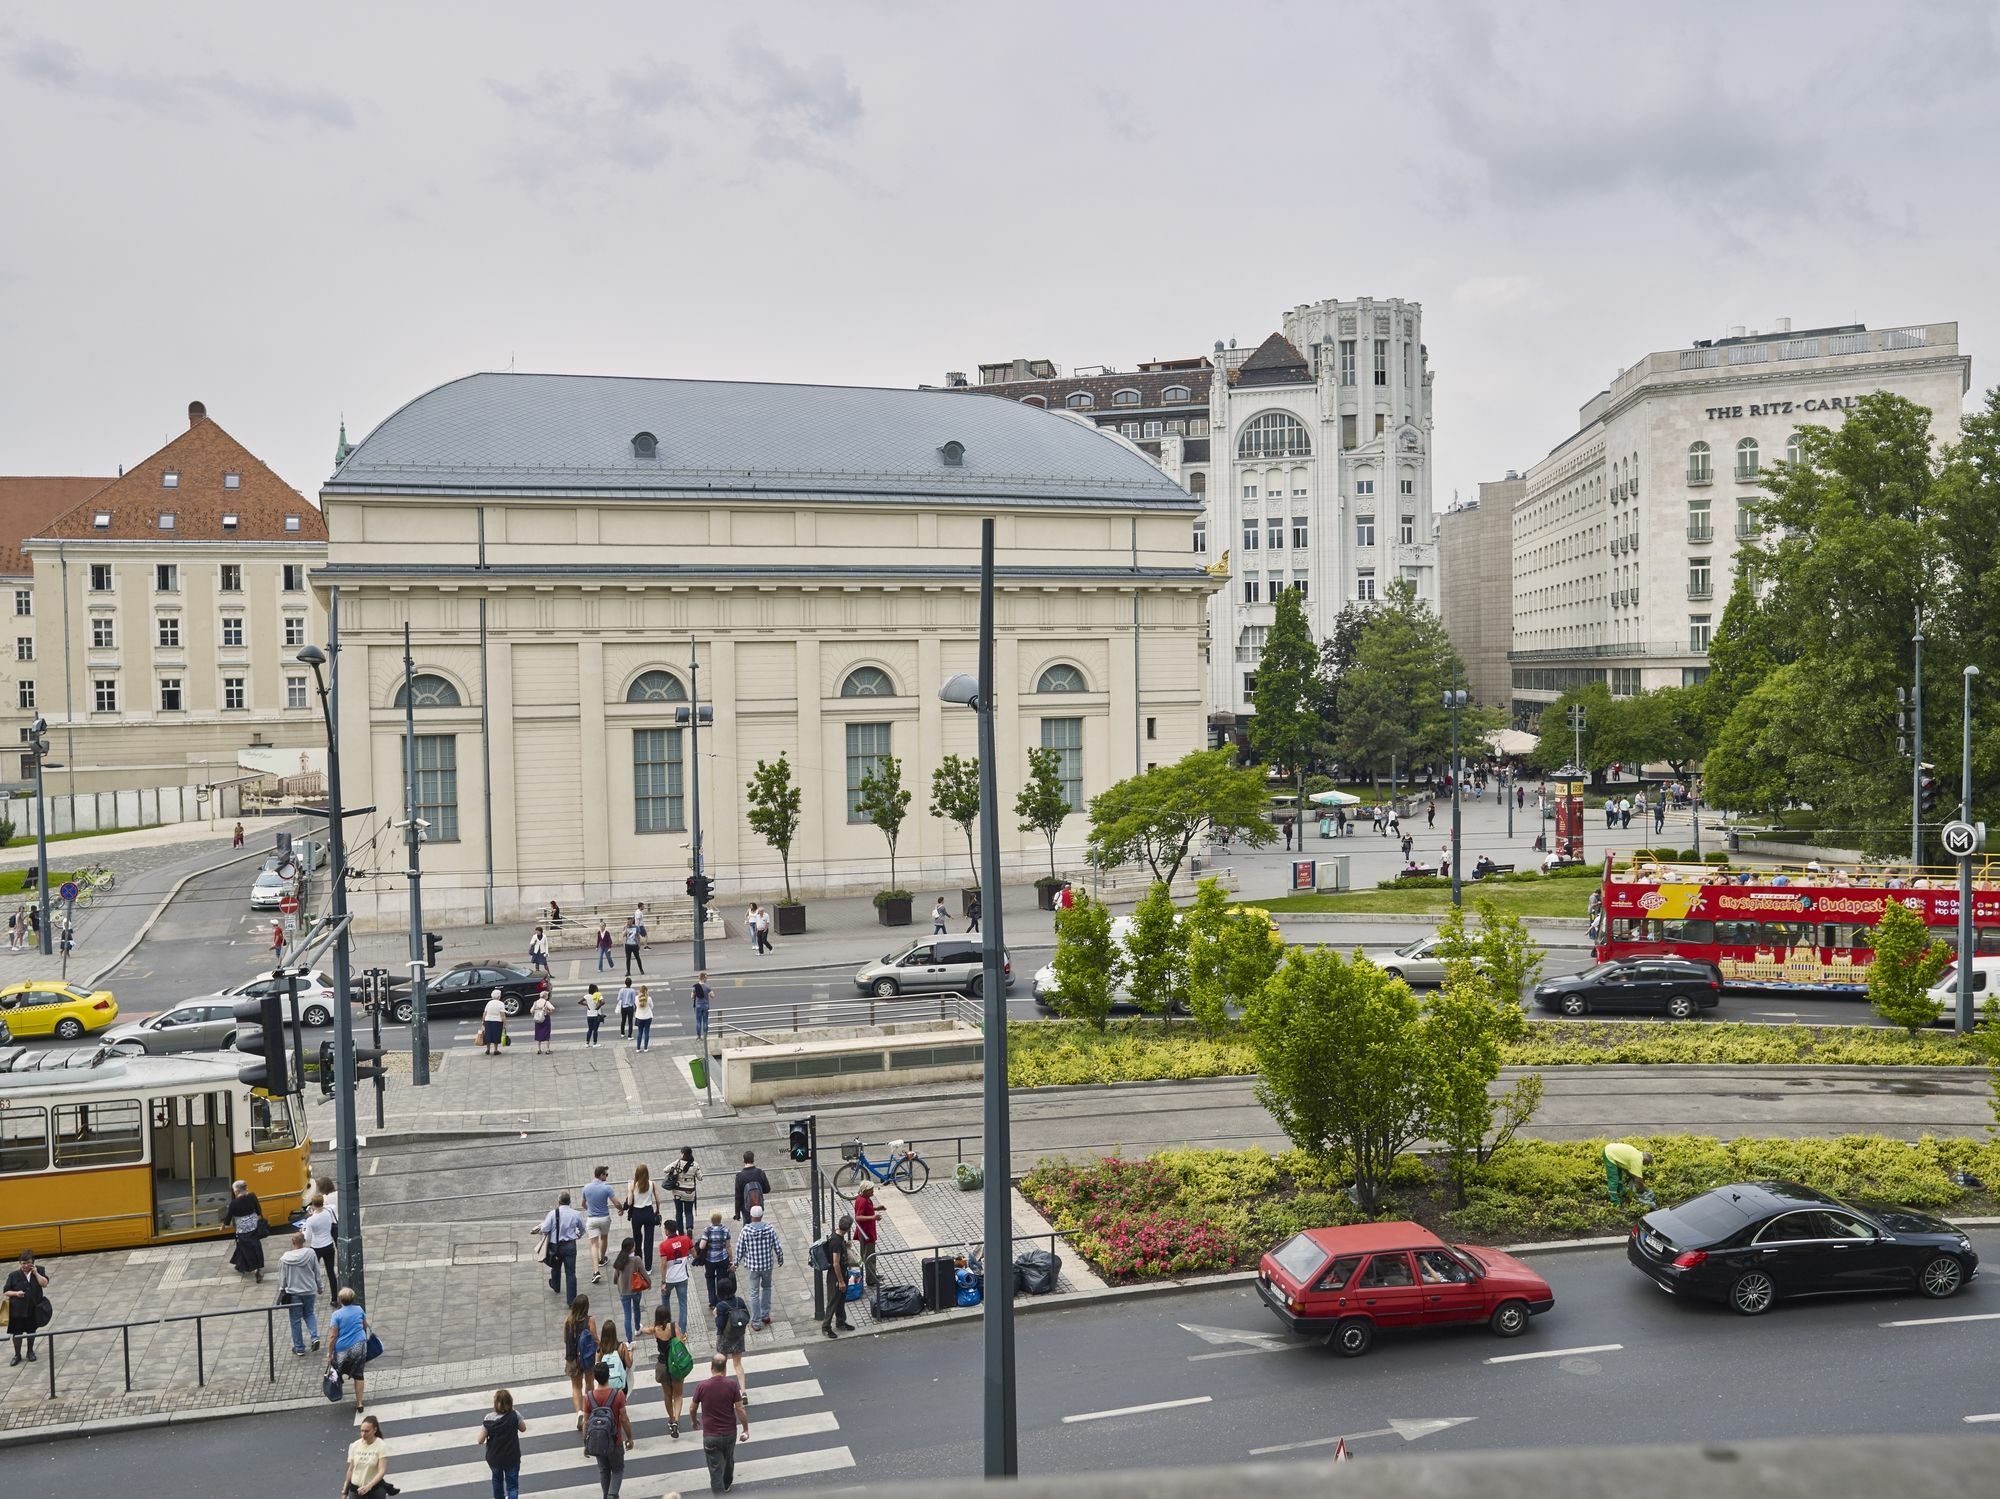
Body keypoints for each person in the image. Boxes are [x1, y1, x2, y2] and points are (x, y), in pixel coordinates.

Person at [690, 1352, 750, 1495]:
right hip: (729, 1433)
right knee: (728, 1459)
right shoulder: (732, 1385)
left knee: (715, 1469)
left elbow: (692, 1407)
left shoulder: (702, 1386)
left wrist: (694, 1421)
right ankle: (727, 1484)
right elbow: (740, 1409)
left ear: (711, 1367)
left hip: (711, 1435)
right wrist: (745, 1429)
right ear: (725, 1369)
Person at [635, 1302, 689, 1439]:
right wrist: (683, 1338)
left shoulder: (656, 1329)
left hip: (663, 1365)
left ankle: (671, 1419)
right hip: (675, 1366)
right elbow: (680, 1343)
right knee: (678, 1395)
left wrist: (641, 1328)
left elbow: (646, 1330)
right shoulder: (673, 1327)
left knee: (667, 1395)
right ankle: (676, 1420)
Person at [581, 1361, 634, 1499]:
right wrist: (629, 1437)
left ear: (595, 1377)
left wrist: (586, 1443)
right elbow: (624, 1418)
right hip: (615, 1441)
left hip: (598, 1441)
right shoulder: (618, 1395)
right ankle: (612, 1495)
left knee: (604, 1471)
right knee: (617, 1469)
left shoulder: (588, 1397)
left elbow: (585, 1422)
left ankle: (607, 1496)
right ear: (608, 1375)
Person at [734, 1203, 783, 1330]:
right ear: (762, 1215)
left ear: (751, 1216)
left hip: (752, 1267)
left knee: (753, 1293)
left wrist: (736, 1263)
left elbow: (740, 1248)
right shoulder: (769, 1229)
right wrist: (780, 1258)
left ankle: (756, 1322)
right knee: (767, 1288)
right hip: (767, 1265)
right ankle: (765, 1315)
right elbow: (777, 1245)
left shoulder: (746, 1230)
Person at [277, 1230, 322, 1355]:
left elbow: (283, 1279)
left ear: (292, 1242)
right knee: (309, 1314)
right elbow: (317, 1272)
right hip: (309, 1291)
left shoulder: (285, 1258)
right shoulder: (311, 1253)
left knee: (295, 1319)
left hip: (294, 1293)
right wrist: (320, 1287)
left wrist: (282, 1289)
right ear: (304, 1241)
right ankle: (314, 1337)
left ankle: (299, 1348)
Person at [477, 1388, 527, 1499]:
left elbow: (480, 1440)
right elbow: (523, 1428)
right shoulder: (514, 1415)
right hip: (512, 1457)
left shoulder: (488, 1418)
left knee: (497, 1481)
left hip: (495, 1458)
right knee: (512, 1487)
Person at [536, 1192, 586, 1303]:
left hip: (556, 1246)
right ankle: (571, 1301)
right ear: (570, 1202)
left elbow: (544, 1229)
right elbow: (582, 1229)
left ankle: (556, 1285)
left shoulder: (553, 1214)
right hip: (570, 1246)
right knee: (571, 1273)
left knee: (555, 1265)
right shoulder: (576, 1214)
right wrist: (578, 1235)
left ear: (559, 1202)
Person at [327, 1286, 370, 1413]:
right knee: (359, 1374)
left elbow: (333, 1335)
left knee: (336, 1370)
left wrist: (329, 1352)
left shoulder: (336, 1315)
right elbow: (365, 1325)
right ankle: (359, 1403)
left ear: (340, 1300)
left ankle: (336, 1392)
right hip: (359, 1346)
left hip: (342, 1349)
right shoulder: (359, 1309)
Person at [4, 1250, 49, 1365]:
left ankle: (30, 1351)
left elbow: (44, 1283)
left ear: (33, 1263)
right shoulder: (13, 1275)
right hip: (17, 1310)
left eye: (28, 1263)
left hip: (32, 1308)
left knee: (31, 1331)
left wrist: (36, 1273)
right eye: (23, 1263)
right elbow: (6, 1291)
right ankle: (17, 1354)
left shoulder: (39, 1270)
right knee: (17, 1333)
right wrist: (16, 1293)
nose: (25, 1266)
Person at [817, 1214, 854, 1339]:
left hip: (841, 1273)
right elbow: (836, 1263)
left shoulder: (836, 1235)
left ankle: (841, 1321)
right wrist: (841, 1281)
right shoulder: (836, 1241)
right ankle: (826, 1327)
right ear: (848, 1228)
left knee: (841, 1299)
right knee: (833, 1301)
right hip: (836, 1275)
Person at [224, 1178, 265, 1282]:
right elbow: (258, 1209)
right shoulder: (252, 1196)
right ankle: (241, 1265)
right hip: (253, 1226)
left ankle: (255, 1269)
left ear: (237, 1191)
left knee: (246, 1249)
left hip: (242, 1230)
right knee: (255, 1245)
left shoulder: (234, 1203)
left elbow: (228, 1217)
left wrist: (223, 1225)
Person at [582, 1165, 618, 1283]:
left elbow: (583, 1204)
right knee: (604, 1237)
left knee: (593, 1244)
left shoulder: (586, 1187)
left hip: (592, 1219)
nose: (607, 1176)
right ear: (601, 1175)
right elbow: (616, 1202)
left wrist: (589, 1209)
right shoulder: (607, 1188)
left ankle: (596, 1271)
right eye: (606, 1174)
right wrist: (621, 1209)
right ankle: (602, 1259)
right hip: (604, 1218)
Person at [343, 1414, 391, 1498]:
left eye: (366, 1431)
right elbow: (351, 1469)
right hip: (356, 1490)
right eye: (362, 1430)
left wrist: (369, 1486)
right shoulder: (355, 1445)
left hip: (374, 1490)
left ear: (374, 1430)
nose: (363, 1434)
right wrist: (345, 1491)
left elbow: (382, 1471)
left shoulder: (381, 1446)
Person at [302, 1191, 337, 1294]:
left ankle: (318, 1288)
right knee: (331, 1272)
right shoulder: (328, 1212)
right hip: (329, 1245)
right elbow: (328, 1207)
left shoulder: (310, 1220)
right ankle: (334, 1297)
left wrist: (303, 1232)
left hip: (316, 1247)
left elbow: (307, 1238)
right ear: (323, 1203)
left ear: (312, 1204)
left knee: (313, 1271)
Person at [624, 1164, 659, 1267]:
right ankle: (648, 1267)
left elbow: (629, 1202)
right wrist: (657, 1210)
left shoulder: (633, 1185)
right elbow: (658, 1199)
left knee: (637, 1239)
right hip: (648, 1212)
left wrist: (629, 1190)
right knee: (649, 1240)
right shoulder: (652, 1184)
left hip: (637, 1214)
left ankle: (639, 1264)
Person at [660, 1225, 693, 1332]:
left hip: (669, 1279)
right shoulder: (686, 1239)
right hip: (682, 1278)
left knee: (665, 1302)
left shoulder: (663, 1245)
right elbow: (694, 1254)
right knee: (683, 1304)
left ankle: (667, 1327)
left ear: (667, 1231)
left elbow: (664, 1264)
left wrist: (663, 1281)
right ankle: (682, 1331)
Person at [1603, 1141, 1655, 1208]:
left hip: (1612, 1150)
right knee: (1613, 1179)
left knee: (1619, 1176)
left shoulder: (1637, 1154)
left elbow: (1628, 1170)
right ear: (1645, 1160)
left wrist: (1633, 1178)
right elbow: (1638, 1179)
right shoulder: (1638, 1160)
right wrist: (1641, 1192)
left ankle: (1620, 1190)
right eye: (1646, 1164)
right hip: (1609, 1154)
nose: (1645, 1165)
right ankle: (1614, 1201)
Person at [613, 1238, 646, 1342]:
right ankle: (637, 1328)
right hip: (635, 1290)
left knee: (627, 1315)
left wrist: (616, 1283)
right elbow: (643, 1273)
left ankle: (629, 1340)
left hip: (624, 1291)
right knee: (636, 1308)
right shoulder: (636, 1260)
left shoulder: (619, 1260)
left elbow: (615, 1276)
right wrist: (648, 1283)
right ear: (632, 1248)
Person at [699, 1211, 732, 1310]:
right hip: (722, 1258)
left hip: (710, 1260)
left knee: (710, 1279)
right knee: (721, 1280)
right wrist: (731, 1258)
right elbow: (728, 1246)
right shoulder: (725, 1230)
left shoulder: (707, 1230)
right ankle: (720, 1300)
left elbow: (702, 1246)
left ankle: (712, 1301)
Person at [667, 1146, 701, 1236]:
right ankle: (689, 1227)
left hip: (677, 1192)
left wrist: (673, 1171)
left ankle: (680, 1231)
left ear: (683, 1154)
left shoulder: (677, 1163)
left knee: (679, 1212)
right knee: (688, 1211)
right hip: (689, 1192)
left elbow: (665, 1170)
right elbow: (700, 1177)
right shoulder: (695, 1164)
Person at [851, 1184, 879, 1289]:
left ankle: (872, 1275)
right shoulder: (862, 1200)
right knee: (869, 1256)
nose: (873, 1192)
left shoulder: (863, 1198)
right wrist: (873, 1217)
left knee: (871, 1255)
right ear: (865, 1191)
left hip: (868, 1231)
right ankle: (871, 1279)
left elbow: (867, 1209)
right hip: (866, 1233)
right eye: (871, 1190)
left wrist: (876, 1208)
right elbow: (858, 1217)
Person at [732, 1150, 770, 1222]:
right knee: (758, 1224)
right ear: (753, 1159)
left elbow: (738, 1197)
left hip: (746, 1207)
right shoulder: (760, 1172)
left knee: (747, 1227)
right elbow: (767, 1189)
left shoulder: (740, 1176)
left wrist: (737, 1214)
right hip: (758, 1204)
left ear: (743, 1160)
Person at [481, 989, 508, 1057]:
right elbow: (502, 1014)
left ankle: (488, 1049)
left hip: (488, 1020)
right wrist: (504, 1023)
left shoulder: (489, 1003)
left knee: (488, 1035)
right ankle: (495, 1050)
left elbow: (485, 1012)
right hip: (497, 1021)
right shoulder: (501, 1004)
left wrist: (483, 1021)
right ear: (499, 996)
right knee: (496, 1035)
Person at [530, 987, 556, 1055]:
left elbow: (531, 1010)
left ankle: (539, 1049)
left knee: (538, 1034)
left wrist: (534, 1013)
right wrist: (549, 1011)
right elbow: (553, 1008)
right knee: (547, 1033)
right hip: (545, 1019)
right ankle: (547, 1049)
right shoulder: (546, 1002)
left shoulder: (535, 1002)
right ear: (545, 996)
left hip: (537, 1019)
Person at [691, 972, 712, 1041]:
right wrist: (708, 995)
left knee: (698, 1021)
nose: (707, 978)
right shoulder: (707, 987)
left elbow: (692, 997)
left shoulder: (695, 987)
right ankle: (705, 1036)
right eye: (706, 977)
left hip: (698, 1005)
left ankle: (699, 1037)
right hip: (706, 1005)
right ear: (703, 978)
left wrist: (696, 996)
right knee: (705, 1021)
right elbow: (713, 996)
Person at [632, 985, 654, 1051]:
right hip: (648, 1017)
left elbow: (635, 1005)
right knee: (646, 1032)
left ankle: (638, 1048)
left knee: (639, 1032)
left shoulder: (636, 998)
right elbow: (652, 1006)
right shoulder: (649, 998)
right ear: (646, 991)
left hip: (639, 1017)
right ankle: (645, 1048)